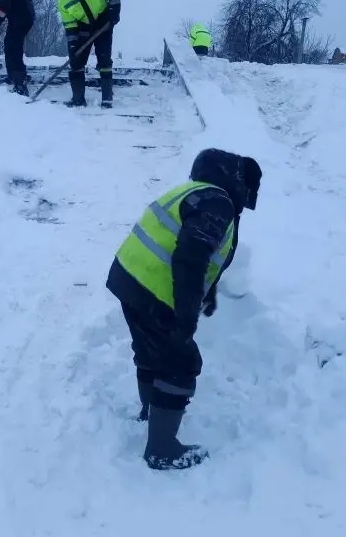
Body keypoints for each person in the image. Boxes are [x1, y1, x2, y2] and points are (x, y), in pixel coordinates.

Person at [106, 148, 262, 470]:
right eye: (246, 196)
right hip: (153, 291)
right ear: (236, 182)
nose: (243, 207)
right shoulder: (218, 203)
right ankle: (162, 449)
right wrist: (186, 314)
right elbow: (190, 257)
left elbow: (192, 247)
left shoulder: (196, 193)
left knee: (151, 351)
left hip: (128, 277)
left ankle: (151, 412)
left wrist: (210, 289)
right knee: (181, 361)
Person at [55, 0, 121, 108]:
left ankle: (107, 99)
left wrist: (114, 11)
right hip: (83, 27)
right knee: (76, 61)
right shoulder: (63, 0)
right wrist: (73, 45)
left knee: (104, 58)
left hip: (103, 21)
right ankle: (78, 99)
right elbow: (70, 25)